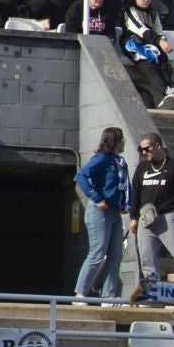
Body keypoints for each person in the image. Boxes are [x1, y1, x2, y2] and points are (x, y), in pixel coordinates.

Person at [126, 132, 174, 283]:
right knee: (147, 258)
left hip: (167, 216)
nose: (143, 153)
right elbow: (136, 194)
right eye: (141, 150)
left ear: (157, 146)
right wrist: (133, 218)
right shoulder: (142, 168)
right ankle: (152, 291)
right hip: (146, 218)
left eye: (146, 149)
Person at [73, 128, 127, 302]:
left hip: (114, 212)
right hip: (100, 211)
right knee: (97, 253)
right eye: (122, 139)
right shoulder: (102, 158)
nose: (124, 142)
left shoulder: (118, 161)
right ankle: (80, 294)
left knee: (115, 255)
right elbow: (81, 175)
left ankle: (109, 295)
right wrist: (97, 198)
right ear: (115, 142)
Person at [119, 0, 174, 107]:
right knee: (146, 58)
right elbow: (141, 30)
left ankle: (169, 92)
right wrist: (159, 41)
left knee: (162, 59)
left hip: (149, 41)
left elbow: (158, 30)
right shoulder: (130, 11)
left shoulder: (153, 13)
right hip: (132, 41)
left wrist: (162, 41)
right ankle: (165, 90)